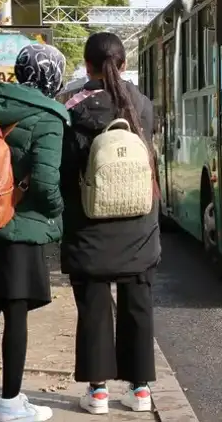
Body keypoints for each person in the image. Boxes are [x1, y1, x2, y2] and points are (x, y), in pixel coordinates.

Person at [0, 44, 69, 422]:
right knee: (15, 313)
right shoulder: (50, 118)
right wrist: (56, 212)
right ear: (52, 76)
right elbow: (45, 181)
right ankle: (10, 404)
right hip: (19, 228)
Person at [60, 32, 160, 415]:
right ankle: (140, 391)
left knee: (94, 305)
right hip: (139, 223)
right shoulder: (142, 105)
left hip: (90, 224)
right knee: (139, 304)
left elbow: (67, 169)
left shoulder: (73, 106)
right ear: (121, 63)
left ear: (88, 65)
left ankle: (98, 393)